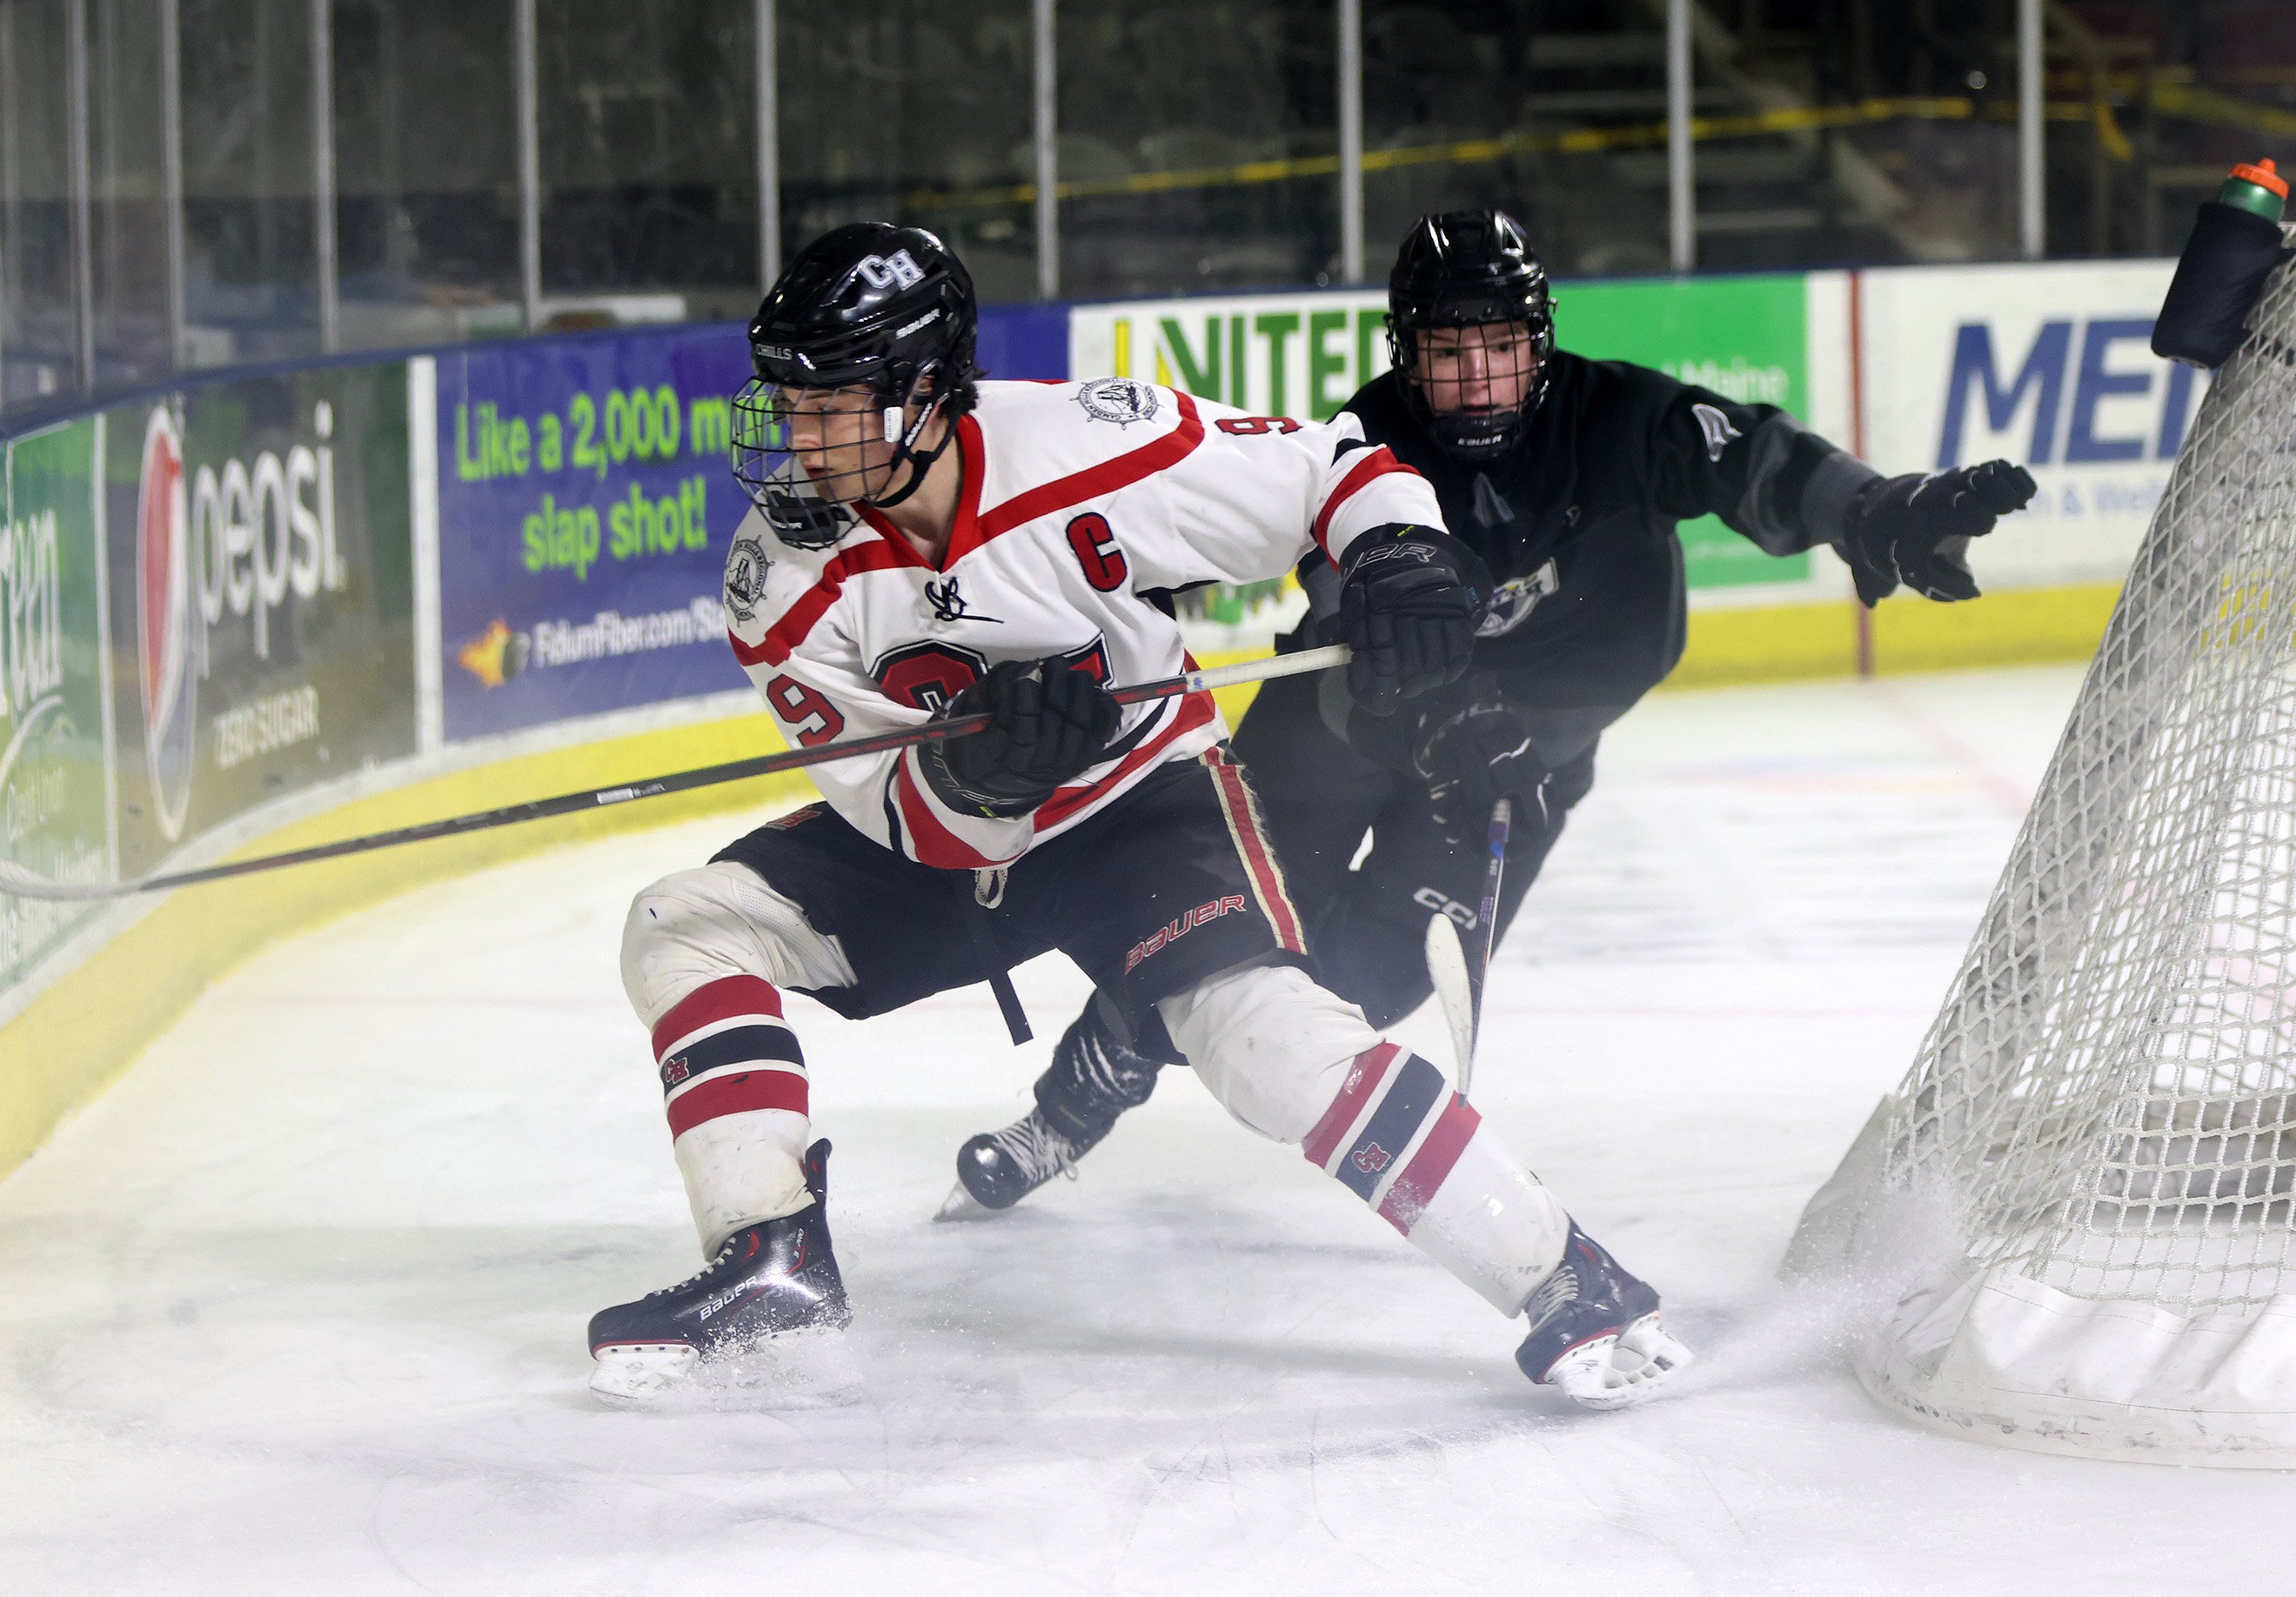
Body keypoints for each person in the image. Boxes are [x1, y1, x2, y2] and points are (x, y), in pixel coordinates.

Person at [587, 220, 1696, 1412]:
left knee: (1264, 1045)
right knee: (682, 923)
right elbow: (899, 809)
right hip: (952, 849)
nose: (802, 442)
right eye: (790, 406)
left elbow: (1340, 469)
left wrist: (1396, 558)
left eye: (834, 405)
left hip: (1140, 811)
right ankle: (770, 1259)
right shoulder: (779, 575)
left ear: (924, 390)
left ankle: (1566, 1277)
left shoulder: (1084, 443)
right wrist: (981, 778)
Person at [948, 208, 2038, 1215]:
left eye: (1502, 348)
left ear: (1542, 341)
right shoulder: (1359, 442)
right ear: (1403, 355)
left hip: (1522, 763)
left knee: (1362, 991)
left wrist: (1874, 507)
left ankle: (1153, 1029)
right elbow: (1277, 575)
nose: (1478, 381)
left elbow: (1757, 458)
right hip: (1340, 731)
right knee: (1208, 928)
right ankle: (1085, 1087)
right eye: (1448, 355)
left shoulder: (1618, 416)